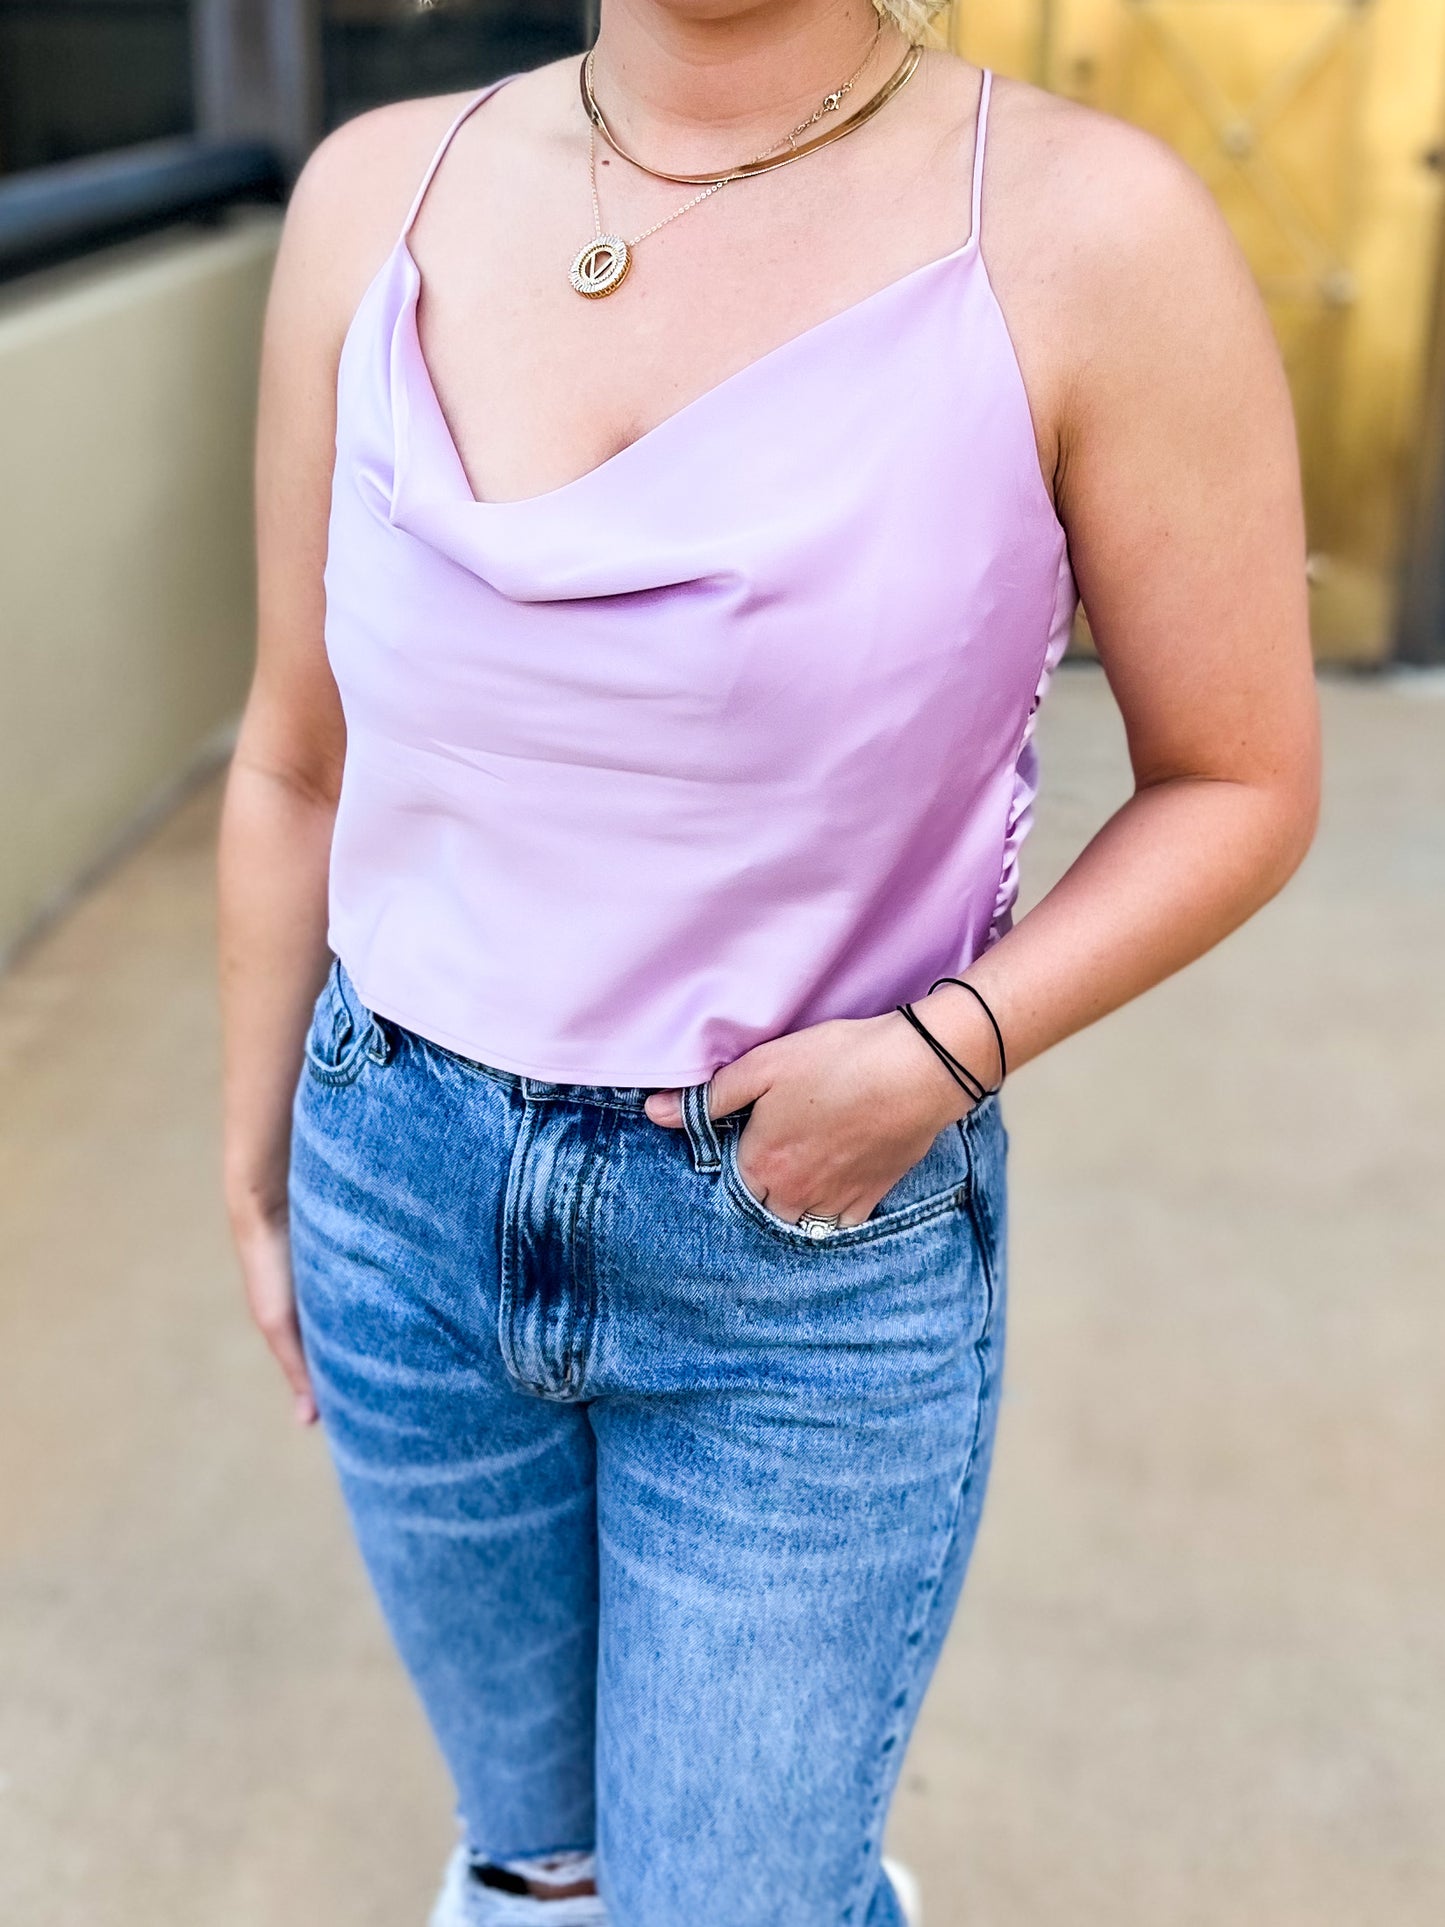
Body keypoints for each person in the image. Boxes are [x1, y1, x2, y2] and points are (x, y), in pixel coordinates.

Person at [217, 0, 1319, 1918]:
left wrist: (940, 1053)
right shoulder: (371, 196)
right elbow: (293, 752)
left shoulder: (1083, 235)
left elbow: (1238, 778)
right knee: (535, 1864)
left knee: (735, 1903)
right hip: (392, 1185)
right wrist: (258, 1164)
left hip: (801, 1248)